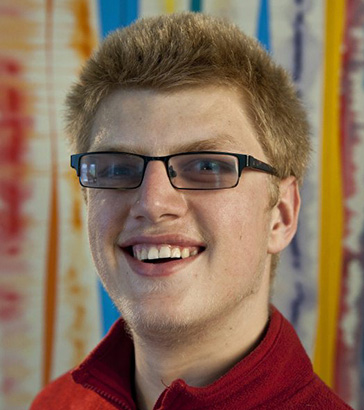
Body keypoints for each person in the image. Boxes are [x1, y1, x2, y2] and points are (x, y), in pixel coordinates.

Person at [31, 12, 352, 410]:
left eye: (207, 166)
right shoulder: (56, 403)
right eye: (117, 168)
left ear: (281, 215)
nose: (152, 203)